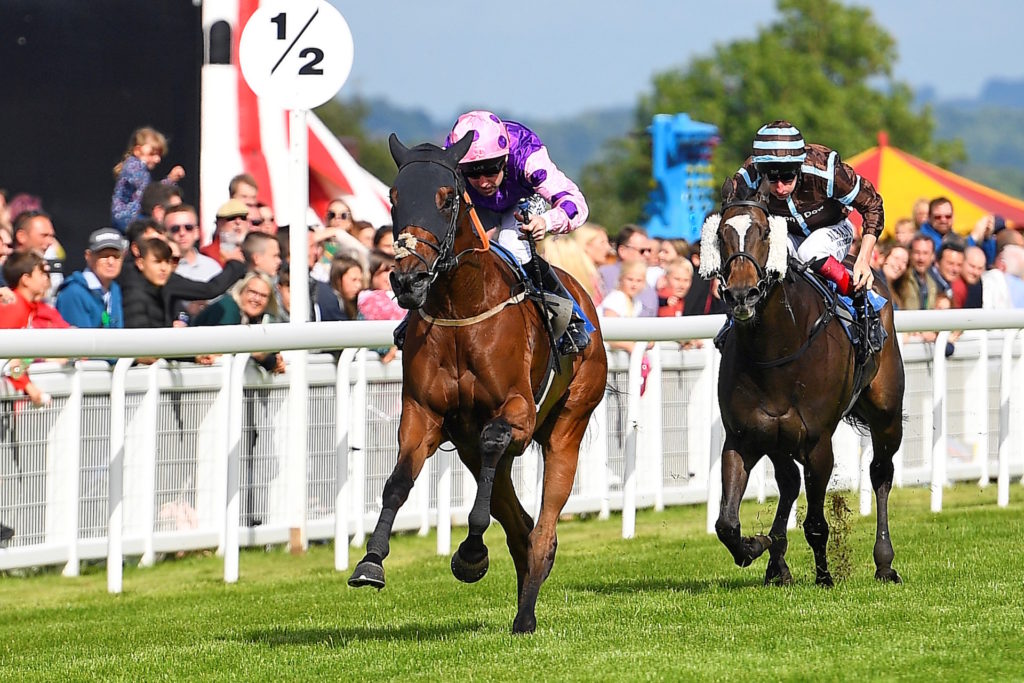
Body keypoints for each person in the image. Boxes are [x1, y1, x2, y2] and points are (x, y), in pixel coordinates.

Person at [720, 120, 885, 355]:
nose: (779, 187)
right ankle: (735, 321)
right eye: (771, 178)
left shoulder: (825, 169)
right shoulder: (748, 176)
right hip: (784, 231)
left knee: (811, 252)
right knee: (765, 255)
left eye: (787, 177)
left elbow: (873, 205)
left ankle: (863, 303)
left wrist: (863, 259)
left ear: (798, 167)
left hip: (833, 228)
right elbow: (733, 222)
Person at [439, 109, 592, 353]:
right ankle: (413, 318)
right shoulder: (450, 165)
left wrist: (547, 221)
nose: (483, 181)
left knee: (513, 246)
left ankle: (571, 318)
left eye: (490, 169)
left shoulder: (528, 157)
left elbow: (576, 204)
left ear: (504, 159)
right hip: (476, 204)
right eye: (473, 173)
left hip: (522, 199)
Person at [0, 250, 64, 406]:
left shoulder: (29, 307)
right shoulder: (13, 306)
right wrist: (29, 387)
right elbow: (6, 355)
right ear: (26, 279)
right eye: (41, 273)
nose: (46, 279)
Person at [110, 126, 184, 231]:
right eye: (152, 154)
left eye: (159, 154)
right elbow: (149, 194)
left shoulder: (136, 167)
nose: (157, 159)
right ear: (137, 150)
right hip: (129, 219)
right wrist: (170, 180)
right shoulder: (135, 167)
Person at [55, 228, 127, 329]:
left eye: (116, 256)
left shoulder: (114, 289)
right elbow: (78, 342)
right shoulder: (73, 293)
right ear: (88, 256)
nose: (111, 262)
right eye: (104, 256)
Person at [598, 225, 658, 316]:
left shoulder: (650, 278)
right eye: (642, 251)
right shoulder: (604, 275)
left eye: (649, 250)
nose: (647, 255)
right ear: (622, 251)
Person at [167, 204, 222, 282]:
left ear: (196, 232)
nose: (182, 233)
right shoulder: (161, 270)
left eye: (188, 227)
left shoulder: (212, 267)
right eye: (175, 229)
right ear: (165, 233)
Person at [200, 199, 249, 267]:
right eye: (231, 218)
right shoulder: (207, 254)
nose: (238, 222)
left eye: (243, 218)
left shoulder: (253, 250)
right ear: (218, 223)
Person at [953, 245, 985, 309]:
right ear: (962, 262)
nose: (975, 272)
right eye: (972, 266)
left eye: (980, 268)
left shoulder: (978, 285)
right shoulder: (956, 285)